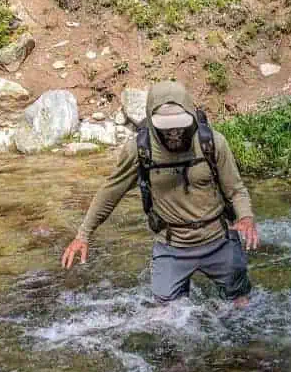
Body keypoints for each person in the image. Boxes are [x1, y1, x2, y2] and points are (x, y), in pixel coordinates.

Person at [61, 80, 259, 308]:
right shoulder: (138, 150)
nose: (174, 134)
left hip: (218, 240)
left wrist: (245, 217)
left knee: (242, 306)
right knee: (164, 319)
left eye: (180, 126)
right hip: (171, 246)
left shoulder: (212, 143)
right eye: (167, 128)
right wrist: (83, 234)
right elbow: (110, 192)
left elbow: (236, 190)